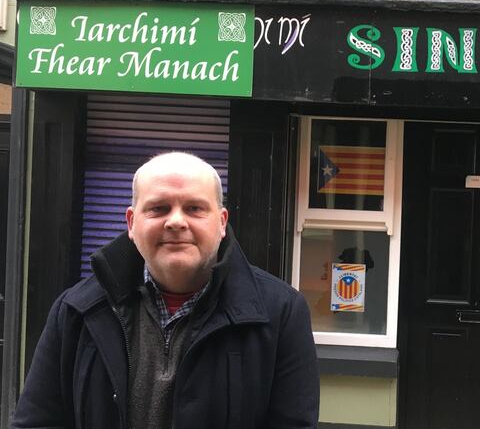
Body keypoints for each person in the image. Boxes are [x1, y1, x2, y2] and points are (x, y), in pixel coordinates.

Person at [13, 152, 320, 429]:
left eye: (194, 208)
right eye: (159, 208)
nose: (176, 221)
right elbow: (38, 422)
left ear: (221, 222)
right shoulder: (76, 310)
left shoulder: (280, 313)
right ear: (132, 223)